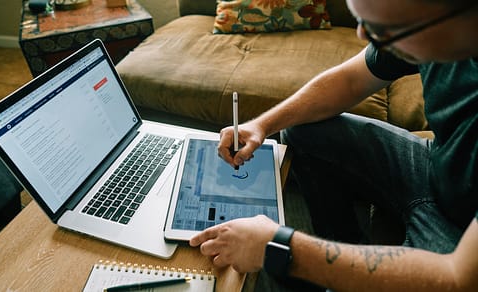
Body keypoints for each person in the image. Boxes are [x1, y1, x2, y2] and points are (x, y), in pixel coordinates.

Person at [189, 0, 478, 290]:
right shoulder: (435, 26)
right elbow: (351, 80)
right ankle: (345, 252)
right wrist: (262, 125)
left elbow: (457, 277)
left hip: (460, 232)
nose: (363, 35)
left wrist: (279, 247)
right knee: (300, 127)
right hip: (437, 166)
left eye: (380, 29)